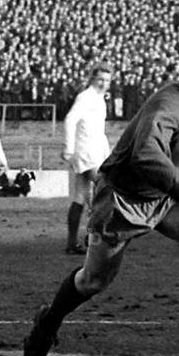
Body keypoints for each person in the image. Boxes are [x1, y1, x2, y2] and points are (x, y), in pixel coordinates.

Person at [19, 41, 179, 356]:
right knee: (93, 281)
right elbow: (146, 154)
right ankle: (47, 323)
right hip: (124, 199)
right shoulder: (169, 106)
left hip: (169, 196)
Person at [63, 63, 113, 254]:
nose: (104, 83)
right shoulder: (86, 97)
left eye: (107, 80)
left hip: (92, 152)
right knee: (104, 192)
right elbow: (70, 119)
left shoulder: (99, 99)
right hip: (85, 153)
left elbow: (98, 131)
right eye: (100, 79)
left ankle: (71, 243)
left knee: (80, 196)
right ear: (92, 78)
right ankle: (94, 237)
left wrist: (106, 154)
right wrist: (68, 149)